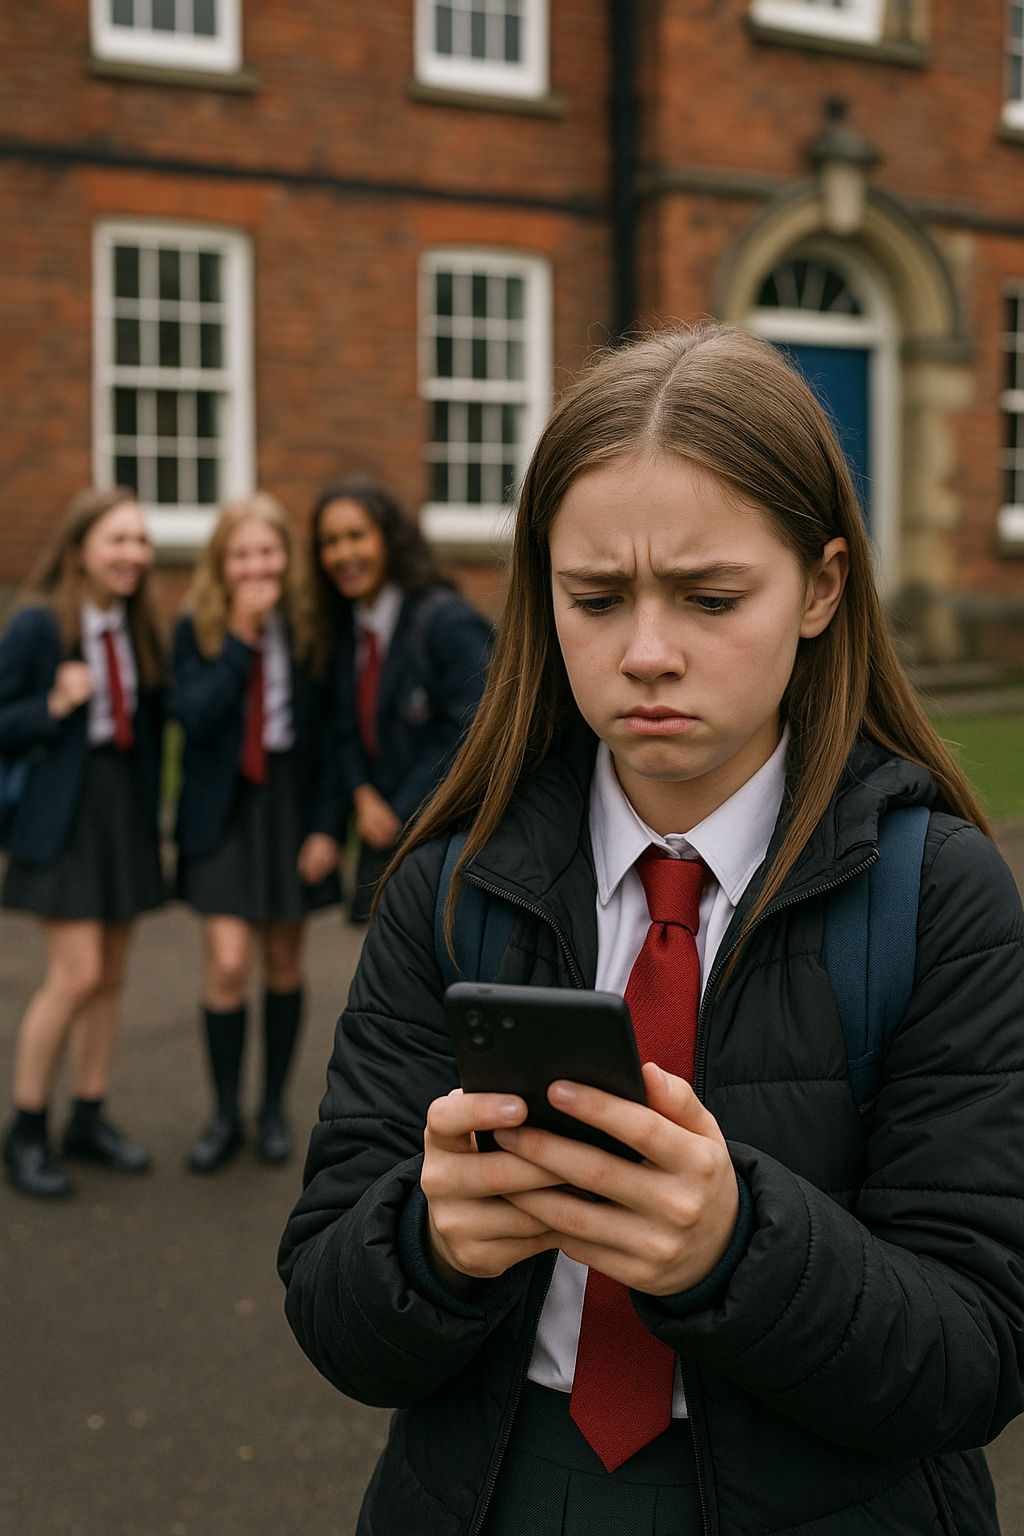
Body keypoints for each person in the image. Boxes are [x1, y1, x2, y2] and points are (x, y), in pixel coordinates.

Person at [279, 325, 1024, 1536]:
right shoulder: (451, 881)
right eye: (595, 596)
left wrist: (738, 1248)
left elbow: (980, 1349)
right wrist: (428, 1249)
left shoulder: (938, 894)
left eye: (710, 596)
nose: (646, 654)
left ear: (822, 588)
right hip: (494, 1490)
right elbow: (329, 1302)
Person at [169, 492, 343, 1172]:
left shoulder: (310, 629)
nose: (255, 565)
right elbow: (195, 718)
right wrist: (240, 639)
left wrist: (329, 828)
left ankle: (270, 1106)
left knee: (281, 963)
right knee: (229, 964)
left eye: (267, 551)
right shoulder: (198, 628)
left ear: (285, 557)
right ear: (223, 564)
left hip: (290, 812)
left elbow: (331, 742)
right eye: (241, 554)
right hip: (224, 811)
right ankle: (223, 1113)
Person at [0, 488, 165, 1199]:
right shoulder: (39, 625)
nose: (132, 555)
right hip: (60, 813)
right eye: (116, 540)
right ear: (78, 550)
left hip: (120, 808)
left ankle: (88, 1117)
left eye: (139, 541)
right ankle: (27, 1128)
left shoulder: (137, 625)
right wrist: (51, 705)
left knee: (111, 975)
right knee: (74, 973)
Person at [308, 477, 492, 921]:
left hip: (448, 834)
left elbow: (470, 728)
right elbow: (345, 727)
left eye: (356, 536)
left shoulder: (445, 622)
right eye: (330, 542)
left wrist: (398, 807)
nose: (343, 554)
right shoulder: (350, 629)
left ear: (389, 539)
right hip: (386, 833)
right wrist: (362, 794)